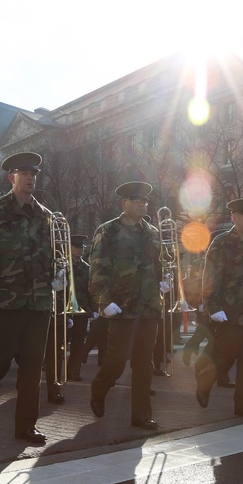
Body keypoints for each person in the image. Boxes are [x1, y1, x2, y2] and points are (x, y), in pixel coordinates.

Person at [0, 152, 57, 444]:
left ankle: (25, 427)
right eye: (24, 174)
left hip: (38, 302)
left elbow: (49, 254)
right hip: (6, 299)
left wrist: (58, 275)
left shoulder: (45, 215)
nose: (30, 178)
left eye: (34, 174)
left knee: (33, 367)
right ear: (12, 178)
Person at [88, 181, 164, 430]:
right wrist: (104, 301)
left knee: (145, 362)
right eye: (137, 201)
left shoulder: (153, 232)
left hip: (149, 305)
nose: (142, 205)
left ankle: (141, 415)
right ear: (124, 204)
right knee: (117, 360)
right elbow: (98, 268)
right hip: (122, 306)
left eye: (144, 201)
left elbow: (160, 265)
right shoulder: (108, 230)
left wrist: (165, 283)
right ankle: (99, 388)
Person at [195, 198, 243, 419]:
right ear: (234, 217)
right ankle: (205, 382)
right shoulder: (221, 243)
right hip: (230, 311)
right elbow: (210, 278)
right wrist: (213, 306)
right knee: (225, 356)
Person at [65, 234, 95, 381]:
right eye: (76, 247)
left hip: (81, 309)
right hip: (64, 310)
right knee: (61, 342)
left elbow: (91, 291)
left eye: (82, 247)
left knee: (78, 343)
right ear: (69, 247)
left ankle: (73, 372)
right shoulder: (63, 265)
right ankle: (55, 370)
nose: (80, 250)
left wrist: (94, 309)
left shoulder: (86, 268)